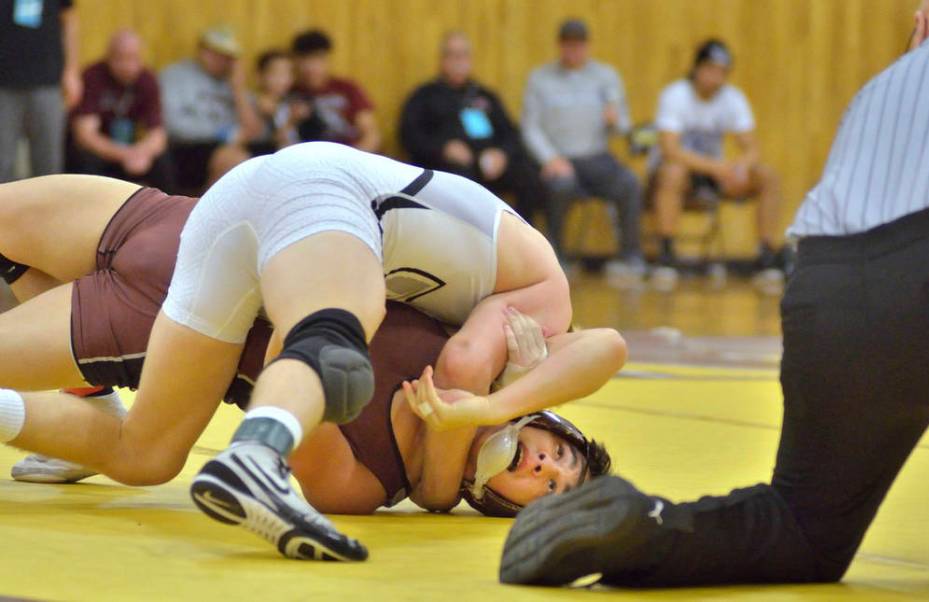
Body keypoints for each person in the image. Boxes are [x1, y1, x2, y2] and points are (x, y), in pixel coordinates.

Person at [499, 0, 929, 587]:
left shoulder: (882, 88)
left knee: (802, 530)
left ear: (922, 27)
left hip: (827, 292)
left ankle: (644, 525)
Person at [0, 140, 603, 562]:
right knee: (334, 324)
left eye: (549, 489)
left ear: (503, 507)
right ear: (547, 418)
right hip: (258, 221)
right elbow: (479, 367)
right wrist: (461, 450)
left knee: (150, 455)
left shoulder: (367, 483)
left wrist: (440, 479)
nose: (546, 468)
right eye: (559, 456)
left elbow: (286, 363)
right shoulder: (504, 330)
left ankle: (88, 396)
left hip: (197, 262)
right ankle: (255, 454)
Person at [647, 39, 784, 292]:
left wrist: (740, 167)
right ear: (697, 68)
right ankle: (666, 254)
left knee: (767, 176)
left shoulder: (732, 98)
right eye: (711, 69)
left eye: (722, 72)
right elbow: (670, 149)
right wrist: (716, 167)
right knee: (673, 173)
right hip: (681, 173)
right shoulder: (676, 95)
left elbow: (752, 147)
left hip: (715, 174)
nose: (716, 77)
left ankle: (766, 255)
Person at [522, 18, 645, 276]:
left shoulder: (606, 77)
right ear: (560, 45)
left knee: (629, 183)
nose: (573, 51)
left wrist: (616, 121)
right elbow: (530, 128)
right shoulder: (540, 79)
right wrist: (550, 159)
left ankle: (630, 256)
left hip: (597, 157)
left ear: (587, 46)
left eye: (578, 45)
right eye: (568, 44)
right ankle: (556, 258)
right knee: (560, 186)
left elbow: (624, 125)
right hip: (560, 158)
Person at [400, 31, 543, 222]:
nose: (459, 61)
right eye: (453, 55)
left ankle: (518, 239)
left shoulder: (485, 95)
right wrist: (443, 149)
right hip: (448, 167)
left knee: (529, 177)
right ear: (443, 60)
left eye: (464, 55)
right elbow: (409, 135)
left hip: (489, 165)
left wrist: (501, 154)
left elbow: (511, 134)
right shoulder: (425, 96)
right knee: (460, 182)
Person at [67, 29, 173, 190]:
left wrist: (141, 153)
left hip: (132, 150)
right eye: (121, 59)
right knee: (85, 161)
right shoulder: (92, 77)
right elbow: (85, 135)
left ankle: (170, 211)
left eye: (133, 58)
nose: (128, 66)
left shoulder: (147, 80)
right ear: (109, 57)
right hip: (102, 151)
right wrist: (124, 155)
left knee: (163, 162)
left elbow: (158, 136)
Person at [159, 24, 260, 193]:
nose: (223, 60)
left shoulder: (231, 82)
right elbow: (173, 125)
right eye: (217, 53)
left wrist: (238, 90)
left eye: (228, 56)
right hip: (187, 146)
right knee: (233, 159)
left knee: (249, 159)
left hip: (225, 148)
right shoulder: (176, 76)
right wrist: (224, 134)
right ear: (202, 51)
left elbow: (254, 130)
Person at [0, 0, 80, 182]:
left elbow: (69, 20)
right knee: (2, 160)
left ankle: (49, 209)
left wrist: (72, 70)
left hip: (48, 81)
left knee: (48, 161)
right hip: (4, 84)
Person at [289, 29, 380, 152]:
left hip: (349, 155)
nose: (311, 66)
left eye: (318, 58)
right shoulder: (290, 93)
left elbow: (371, 135)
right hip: (308, 160)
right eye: (306, 59)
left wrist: (352, 161)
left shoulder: (347, 88)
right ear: (296, 61)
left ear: (327, 59)